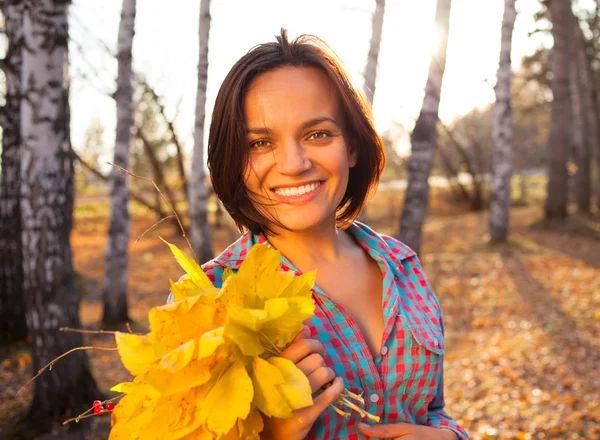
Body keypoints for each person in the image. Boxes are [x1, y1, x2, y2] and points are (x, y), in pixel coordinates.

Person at [180, 29, 468, 440]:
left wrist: (450, 437)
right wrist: (274, 435)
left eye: (318, 135)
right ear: (234, 161)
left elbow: (431, 407)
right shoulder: (206, 299)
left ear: (351, 146)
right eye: (261, 143)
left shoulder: (401, 265)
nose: (294, 164)